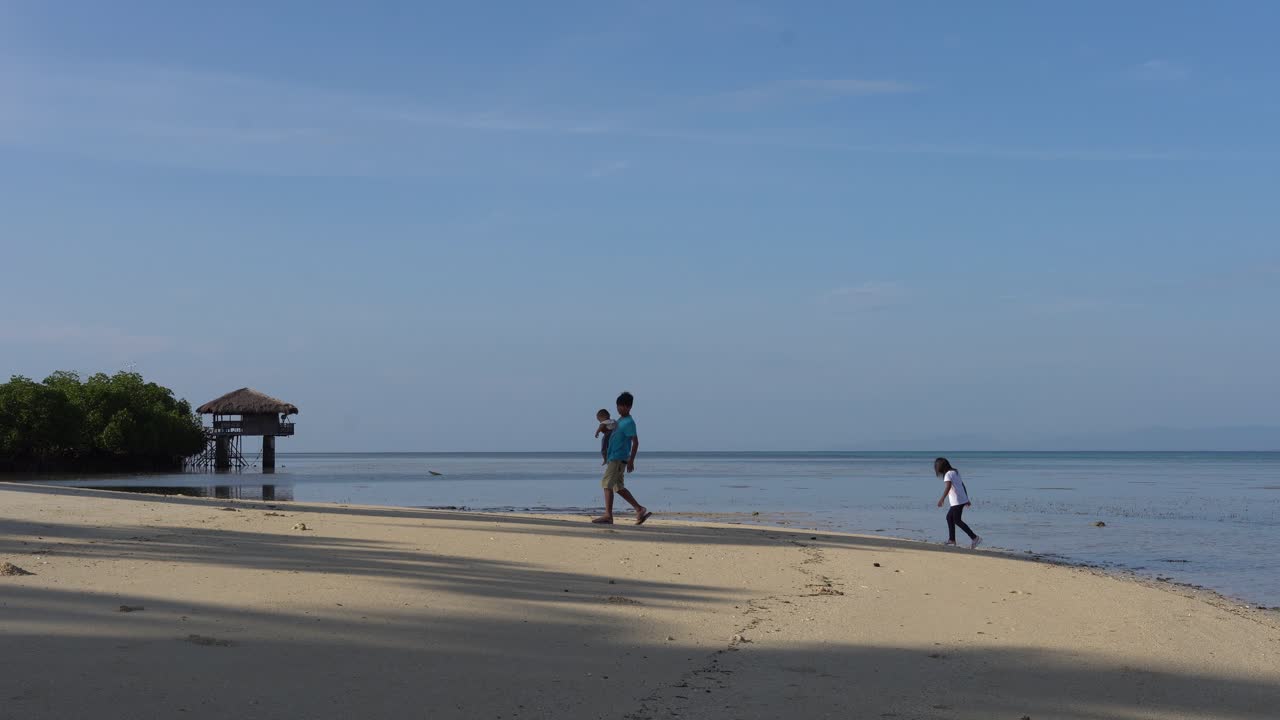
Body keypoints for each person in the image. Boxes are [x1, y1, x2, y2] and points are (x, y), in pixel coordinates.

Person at [592, 391, 651, 526]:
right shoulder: (619, 421)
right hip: (614, 457)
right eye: (618, 406)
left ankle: (608, 515)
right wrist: (604, 431)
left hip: (619, 458)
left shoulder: (629, 422)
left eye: (623, 406)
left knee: (607, 484)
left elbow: (635, 442)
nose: (620, 409)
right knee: (618, 487)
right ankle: (639, 509)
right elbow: (615, 434)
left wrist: (631, 460)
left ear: (629, 407)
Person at [935, 457, 981, 549]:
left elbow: (948, 487)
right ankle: (952, 540)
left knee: (957, 520)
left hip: (957, 501)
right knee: (949, 517)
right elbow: (962, 484)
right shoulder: (955, 472)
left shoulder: (948, 474)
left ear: (940, 467)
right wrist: (966, 498)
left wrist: (942, 499)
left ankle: (975, 538)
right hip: (961, 499)